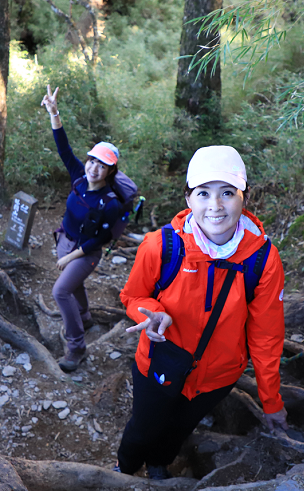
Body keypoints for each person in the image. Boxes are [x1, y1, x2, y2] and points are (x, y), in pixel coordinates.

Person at [115, 145, 288, 479]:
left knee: (180, 428)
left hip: (218, 376)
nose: (215, 205)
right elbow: (132, 296)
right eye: (203, 193)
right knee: (142, 427)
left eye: (227, 192)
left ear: (245, 197)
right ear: (188, 198)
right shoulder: (161, 246)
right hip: (159, 363)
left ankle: (159, 465)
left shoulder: (263, 260)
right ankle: (123, 470)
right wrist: (150, 312)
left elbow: (267, 337)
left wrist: (271, 400)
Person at [41, 85, 122, 372]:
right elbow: (63, 148)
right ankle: (85, 317)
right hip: (65, 238)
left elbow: (99, 240)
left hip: (87, 252)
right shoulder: (78, 176)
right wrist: (55, 113)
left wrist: (70, 256)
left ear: (110, 172)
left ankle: (76, 346)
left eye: (102, 166)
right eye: (92, 161)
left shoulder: (109, 203)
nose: (94, 168)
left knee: (60, 292)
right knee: (71, 285)